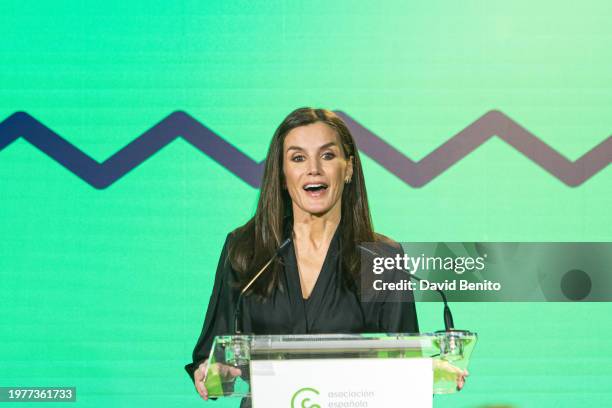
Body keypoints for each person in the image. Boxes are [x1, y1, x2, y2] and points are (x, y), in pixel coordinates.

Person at [185, 107, 433, 406]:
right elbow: (215, 349)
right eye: (298, 158)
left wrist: (427, 371)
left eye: (327, 156)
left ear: (349, 168)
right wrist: (213, 370)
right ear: (281, 173)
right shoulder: (245, 249)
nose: (313, 168)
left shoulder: (382, 257)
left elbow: (403, 358)